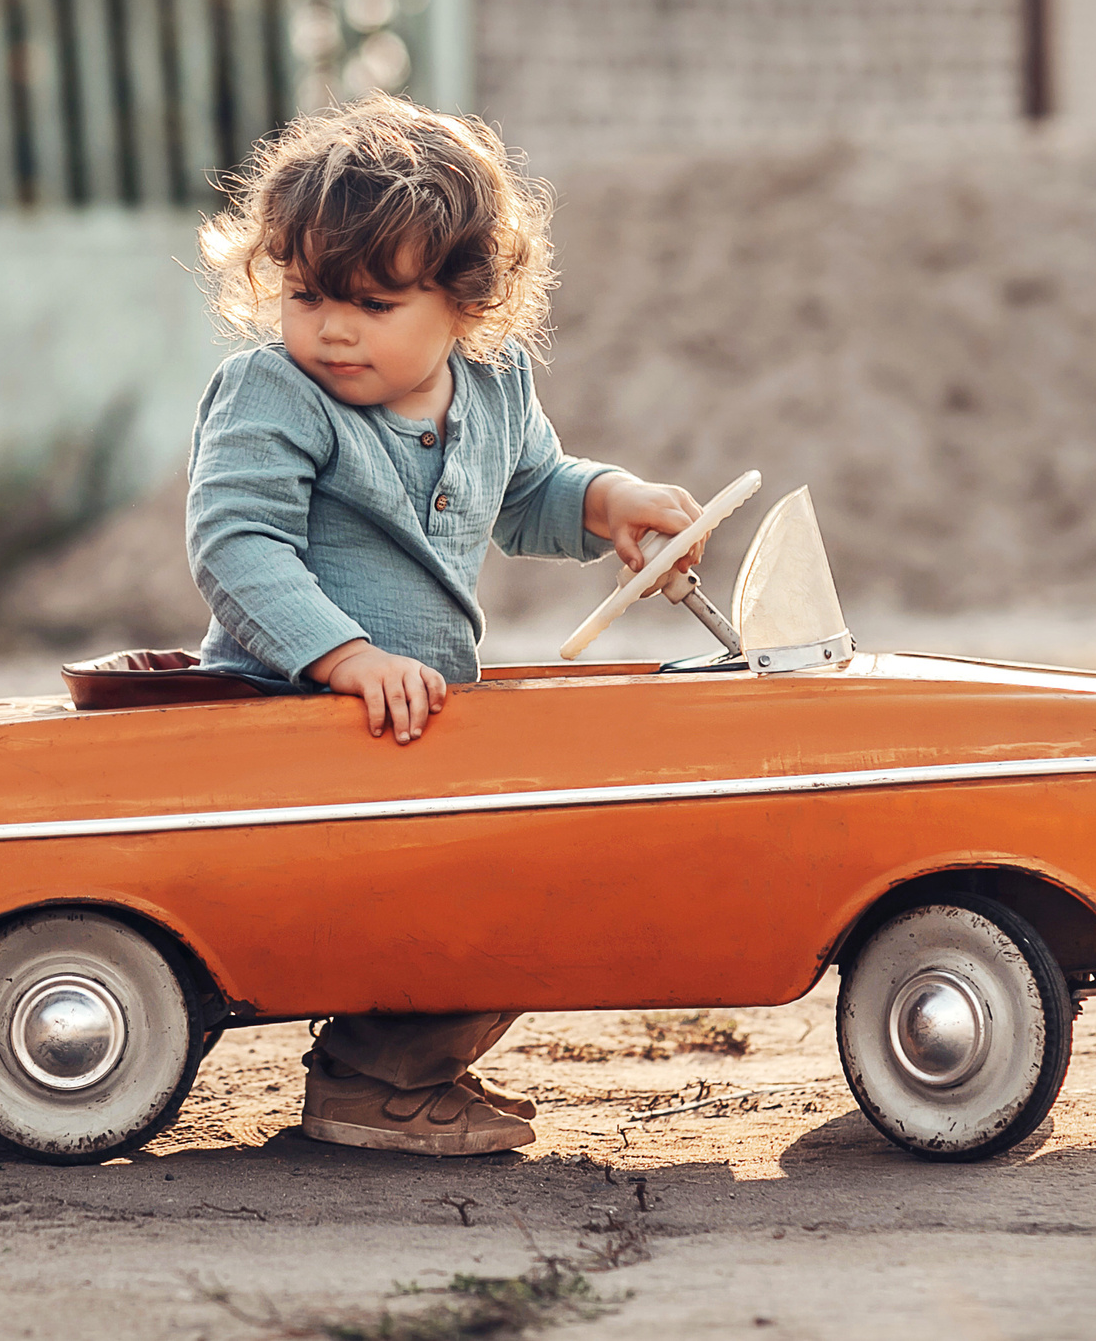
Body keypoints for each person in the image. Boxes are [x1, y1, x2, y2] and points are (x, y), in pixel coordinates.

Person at [187, 93, 706, 1156]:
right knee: (495, 887)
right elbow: (238, 546)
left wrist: (610, 502)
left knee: (551, 872)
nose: (330, 327)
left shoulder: (495, 382)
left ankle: (388, 1065)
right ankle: (375, 1077)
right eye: (306, 293)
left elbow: (526, 492)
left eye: (372, 302)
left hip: (415, 719)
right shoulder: (271, 394)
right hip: (291, 722)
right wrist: (343, 656)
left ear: (467, 303)